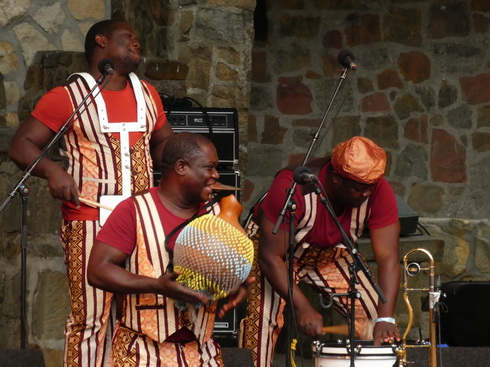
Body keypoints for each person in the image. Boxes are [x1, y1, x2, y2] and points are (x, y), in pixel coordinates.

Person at [8, 19, 173, 367]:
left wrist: (190, 163)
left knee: (139, 320)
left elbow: (164, 147)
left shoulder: (148, 93)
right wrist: (53, 170)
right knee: (91, 320)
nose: (137, 44)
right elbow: (21, 144)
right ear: (101, 40)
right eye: (129, 37)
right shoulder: (67, 97)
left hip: (143, 223)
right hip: (90, 220)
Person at [87, 132, 254, 366]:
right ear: (182, 167)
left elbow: (234, 273)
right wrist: (156, 285)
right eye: (209, 167)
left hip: (203, 354)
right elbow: (97, 270)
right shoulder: (133, 210)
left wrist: (236, 284)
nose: (216, 176)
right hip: (142, 354)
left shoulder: (219, 218)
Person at [238, 136, 401, 366]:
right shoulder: (292, 188)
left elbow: (388, 257)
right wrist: (302, 305)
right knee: (264, 320)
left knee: (377, 316)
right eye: (358, 189)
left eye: (370, 188)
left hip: (329, 255)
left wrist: (385, 318)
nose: (366, 194)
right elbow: (270, 257)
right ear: (335, 178)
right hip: (276, 254)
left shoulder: (376, 189)